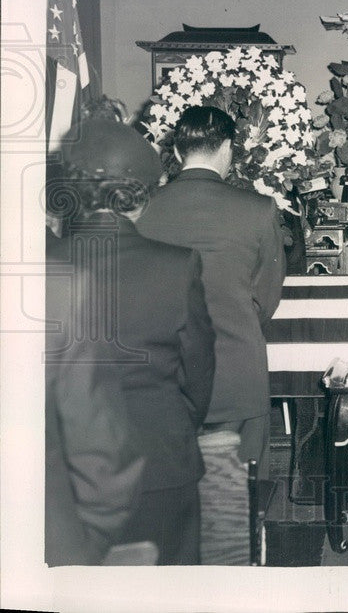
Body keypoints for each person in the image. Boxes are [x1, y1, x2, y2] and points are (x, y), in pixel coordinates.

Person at [49, 118, 215, 564]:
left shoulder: (41, 268)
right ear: (141, 195)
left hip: (59, 478)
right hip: (160, 463)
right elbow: (199, 376)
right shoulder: (175, 266)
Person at [137, 106, 285, 478]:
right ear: (227, 149)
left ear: (175, 152)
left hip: (163, 378)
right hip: (235, 372)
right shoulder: (258, 209)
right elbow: (265, 300)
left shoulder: (143, 210)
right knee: (240, 499)